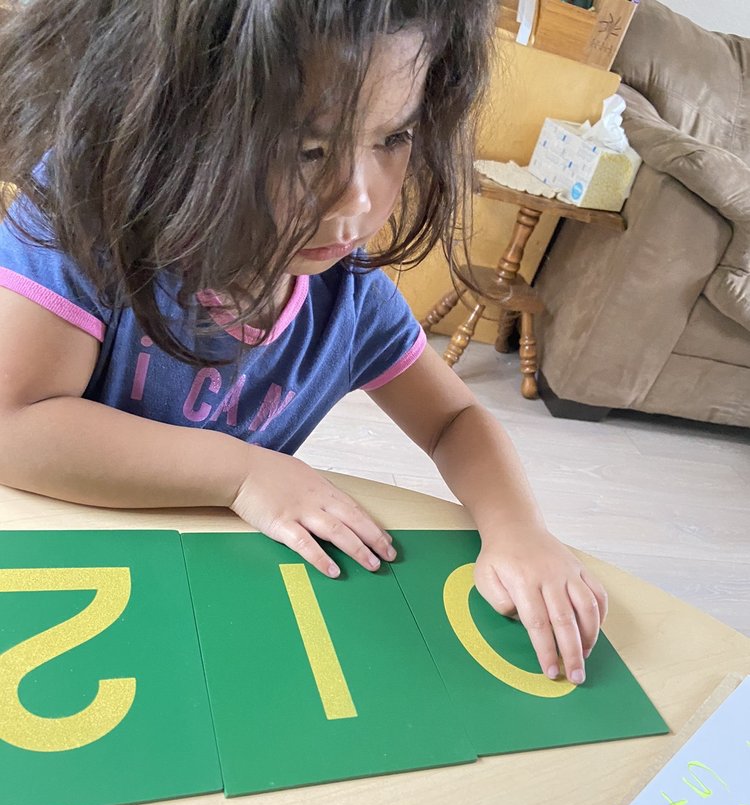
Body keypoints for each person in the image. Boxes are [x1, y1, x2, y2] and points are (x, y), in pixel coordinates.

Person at [0, 0, 606, 684]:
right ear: (171, 118)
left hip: (205, 604)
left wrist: (517, 529)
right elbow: (12, 424)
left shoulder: (345, 295)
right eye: (306, 149)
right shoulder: (84, 219)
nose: (356, 202)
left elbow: (455, 420)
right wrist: (242, 472)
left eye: (393, 138)